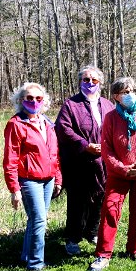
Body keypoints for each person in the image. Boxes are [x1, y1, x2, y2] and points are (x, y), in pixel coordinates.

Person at [88, 77, 136, 271]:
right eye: (124, 92)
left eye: (132, 91)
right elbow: (106, 149)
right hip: (119, 175)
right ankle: (103, 254)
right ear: (116, 96)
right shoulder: (111, 118)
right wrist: (123, 168)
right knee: (110, 211)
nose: (129, 95)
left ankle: (134, 249)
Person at [3, 82, 62, 271]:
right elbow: (10, 158)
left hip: (48, 179)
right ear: (21, 100)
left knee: (36, 219)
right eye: (29, 98)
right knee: (39, 221)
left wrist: (58, 177)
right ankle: (36, 264)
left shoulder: (47, 123)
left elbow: (55, 153)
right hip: (29, 179)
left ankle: (26, 256)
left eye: (38, 98)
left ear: (44, 101)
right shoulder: (16, 124)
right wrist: (14, 189)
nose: (34, 102)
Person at [55, 65, 115, 256]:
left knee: (100, 198)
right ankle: (73, 238)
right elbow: (63, 129)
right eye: (86, 80)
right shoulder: (71, 105)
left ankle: (92, 231)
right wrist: (84, 144)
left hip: (103, 161)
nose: (90, 83)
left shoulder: (107, 105)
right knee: (77, 200)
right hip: (78, 162)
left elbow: (115, 128)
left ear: (100, 83)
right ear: (80, 82)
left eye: (94, 80)